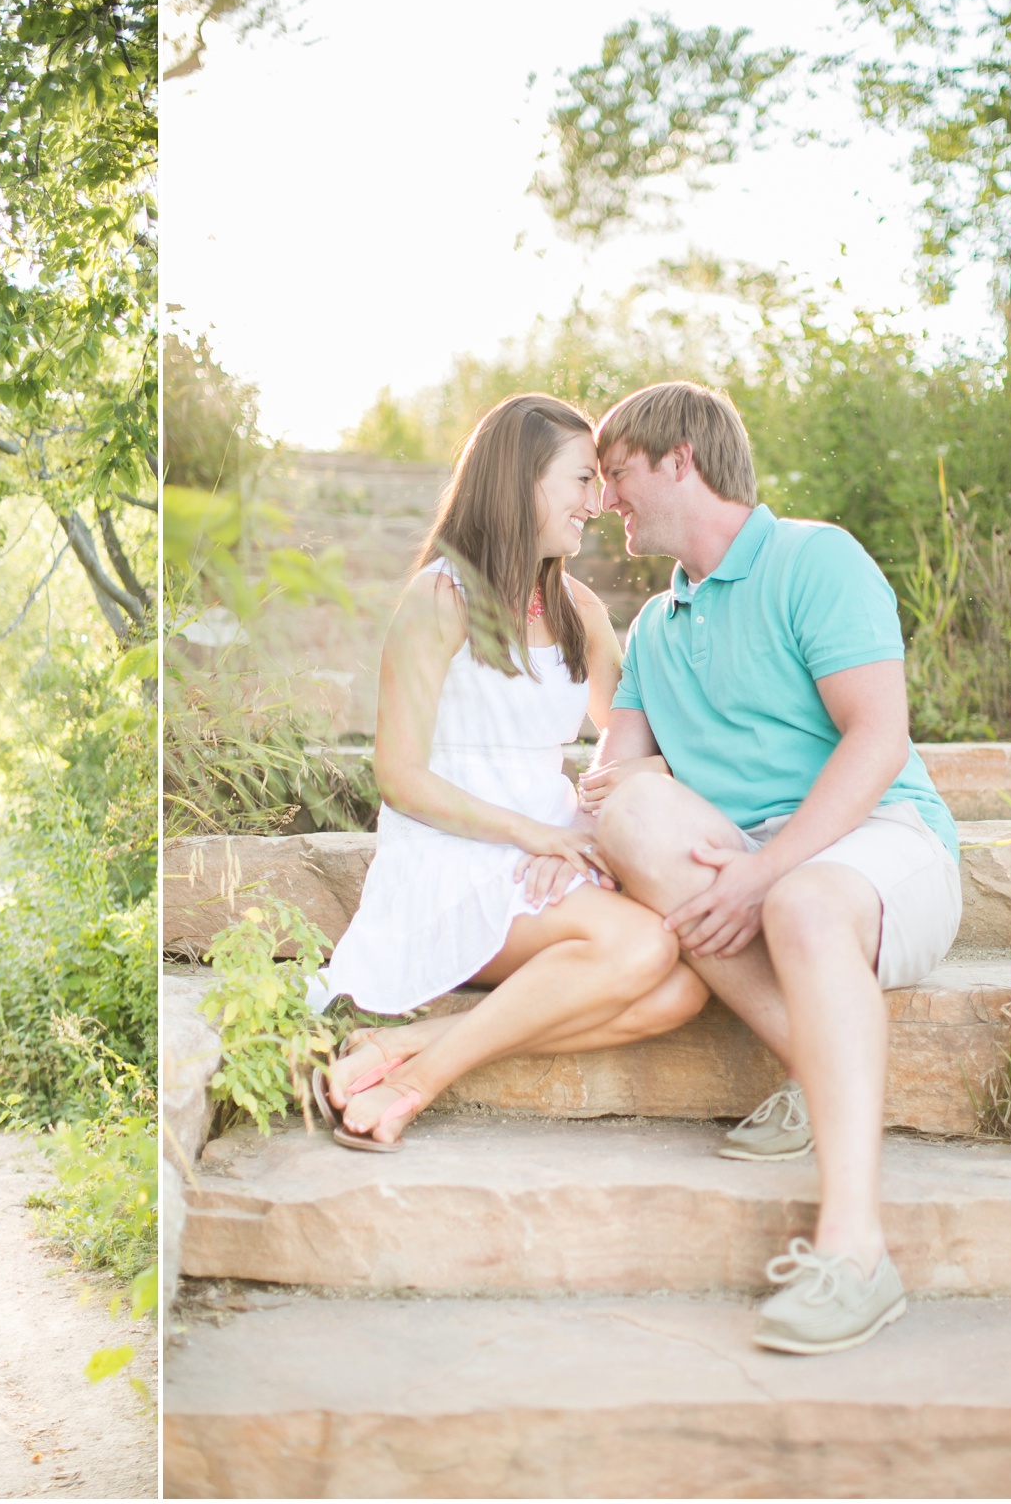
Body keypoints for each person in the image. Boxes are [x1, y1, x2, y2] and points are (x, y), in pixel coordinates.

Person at [579, 380, 962, 1355]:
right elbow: (610, 777)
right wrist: (615, 785)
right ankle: (817, 1054)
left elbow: (876, 740)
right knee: (631, 813)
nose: (604, 494)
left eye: (615, 470)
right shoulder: (653, 630)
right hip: (747, 863)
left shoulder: (811, 557)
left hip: (882, 848)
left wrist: (766, 870)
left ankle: (854, 1253)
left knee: (796, 903)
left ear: (679, 459)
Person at [312, 393, 710, 1151]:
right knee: (645, 949)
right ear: (522, 479)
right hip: (453, 854)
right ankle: (415, 1085)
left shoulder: (579, 609)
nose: (599, 502)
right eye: (582, 480)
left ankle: (407, 1048)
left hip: (546, 849)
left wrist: (620, 791)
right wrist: (532, 834)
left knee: (687, 987)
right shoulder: (439, 600)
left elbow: (634, 734)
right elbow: (398, 776)